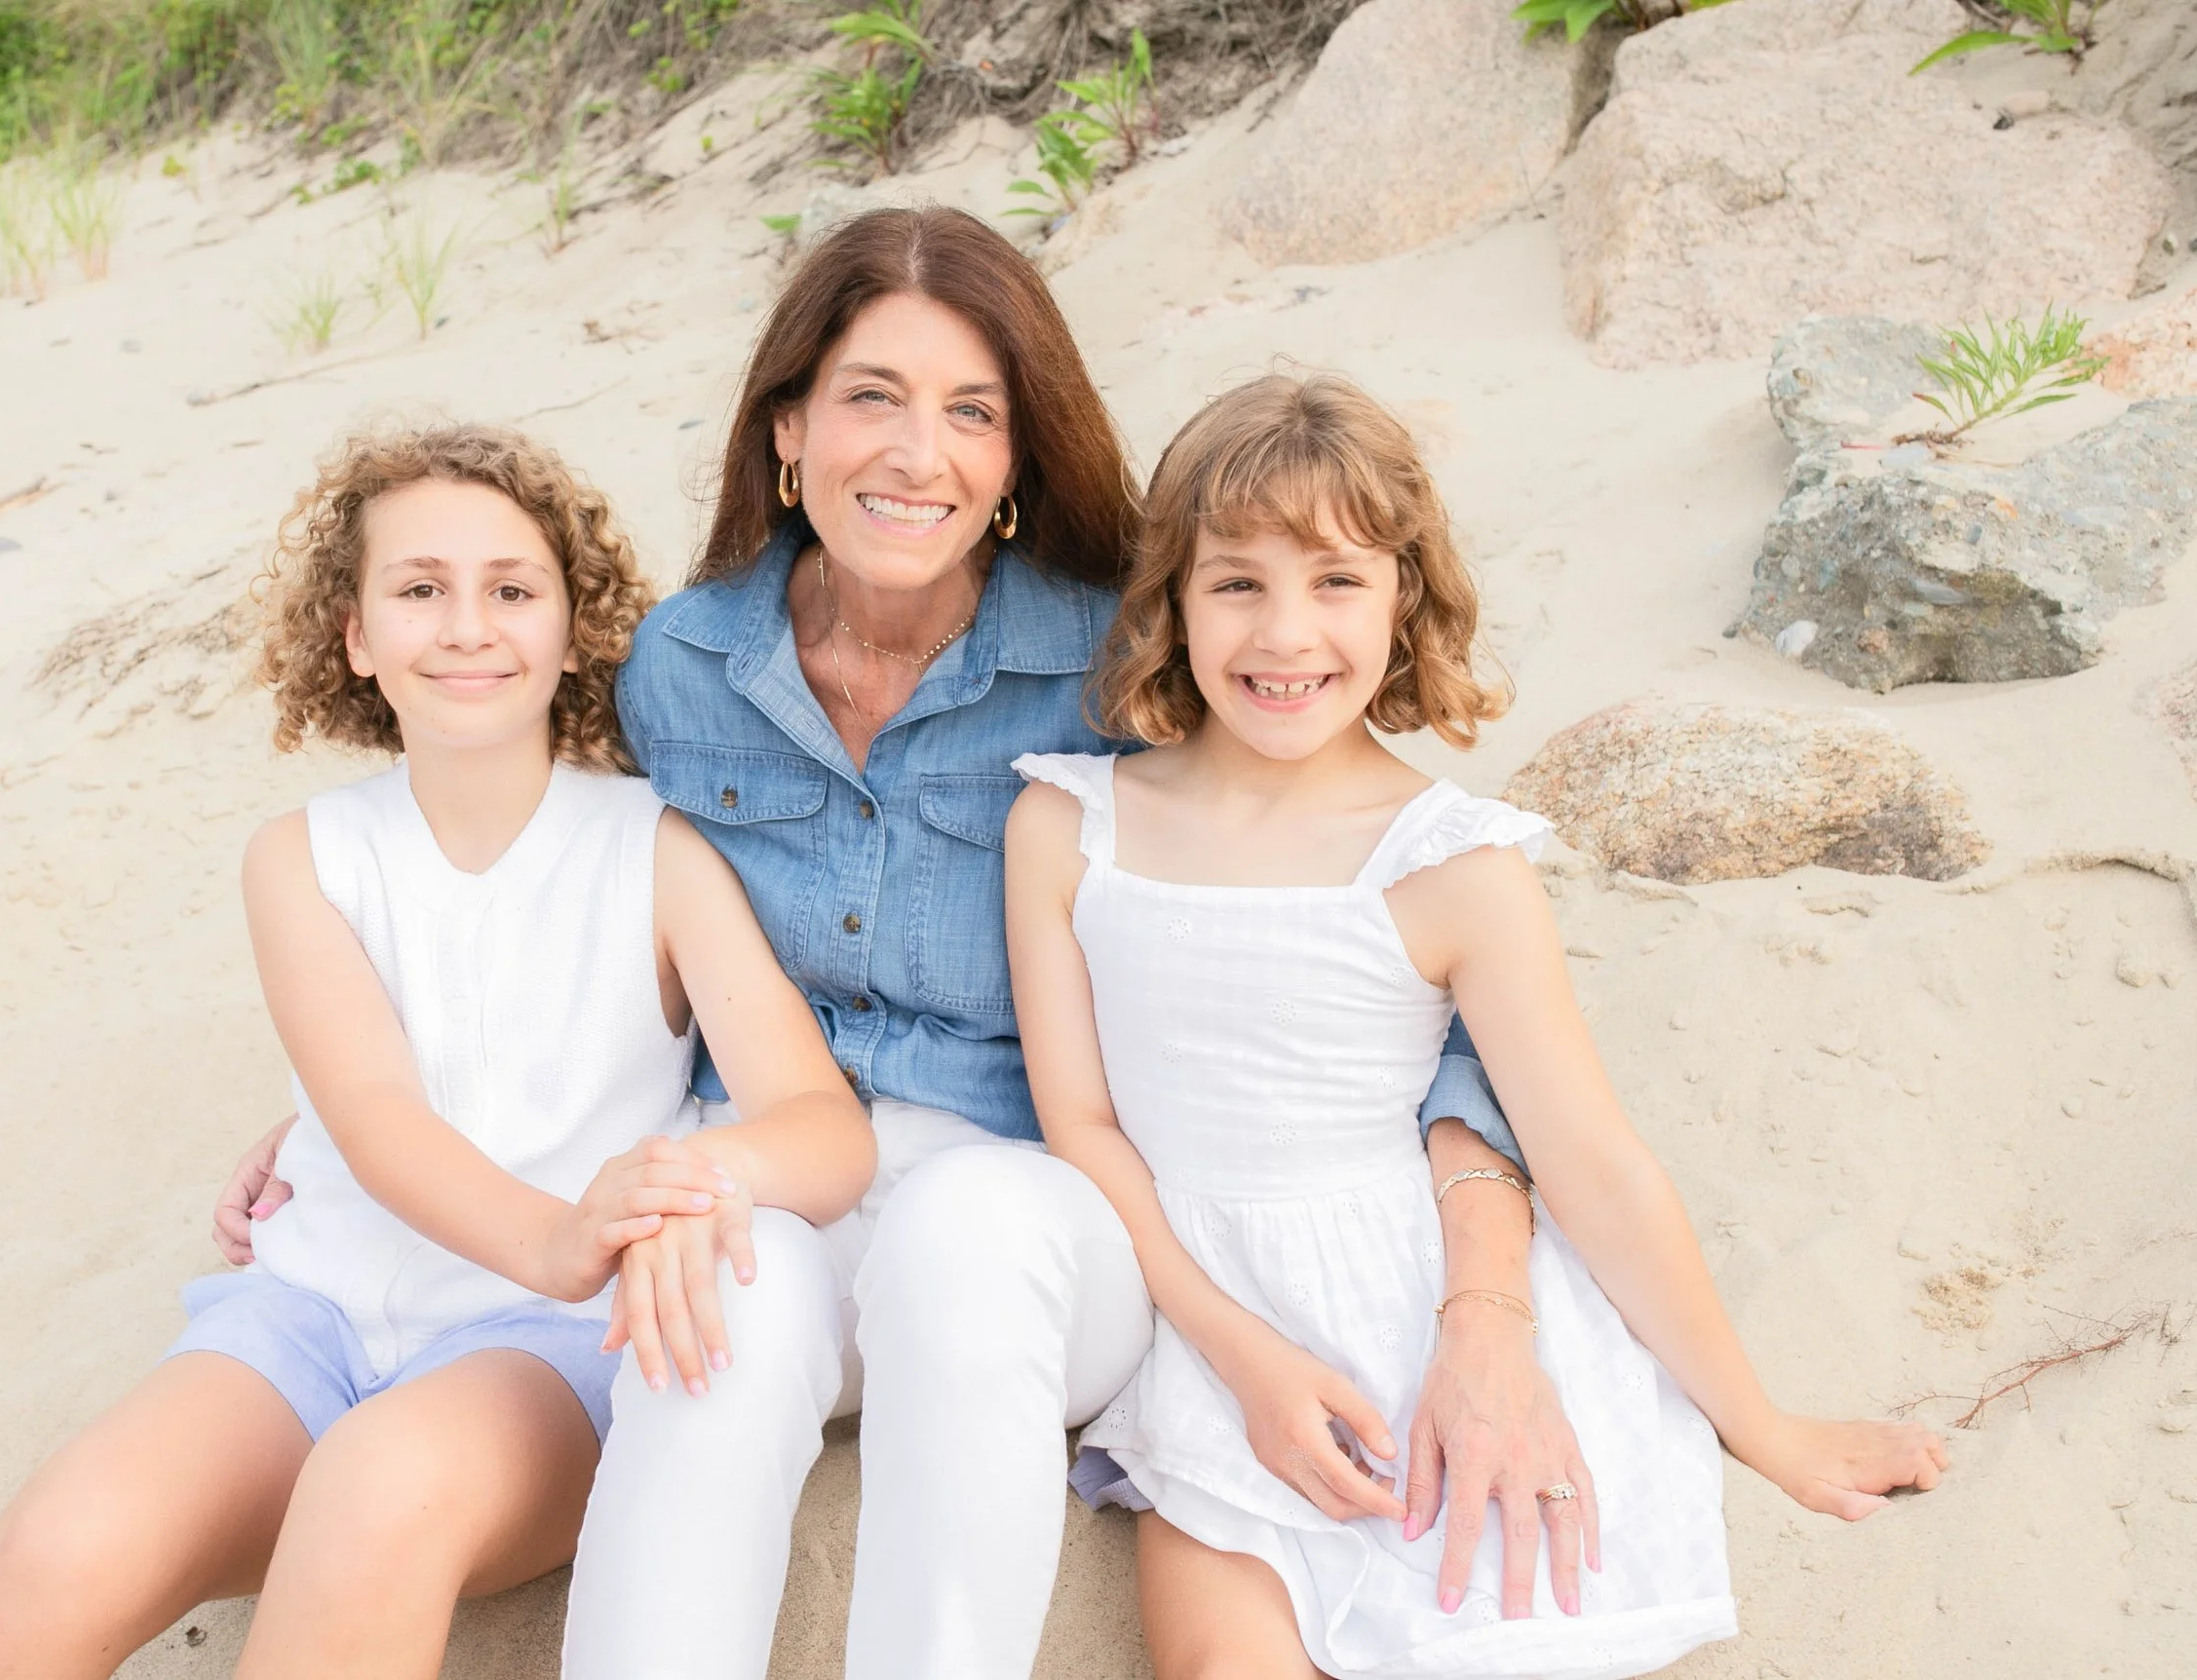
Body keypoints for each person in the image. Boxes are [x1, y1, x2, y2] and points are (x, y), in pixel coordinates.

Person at [215, 209, 1571, 1679]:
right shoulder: (685, 665)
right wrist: (323, 1108)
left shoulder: (1107, 669)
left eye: (971, 414)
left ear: (1011, 464)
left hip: (1047, 1228)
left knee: (960, 1232)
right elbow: (550, 881)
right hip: (781, 1182)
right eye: (873, 397)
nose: (917, 454)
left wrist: (1488, 1291)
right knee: (702, 1288)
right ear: (789, 427)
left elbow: (1391, 971)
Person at [1003, 372, 1948, 1678]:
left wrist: (1763, 1422)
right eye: (1237, 584)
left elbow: (1593, 1164)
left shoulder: (1451, 865)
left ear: (1404, 599)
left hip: (1404, 1302)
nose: (1286, 635)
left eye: (1336, 580)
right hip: (1207, 1322)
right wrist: (1247, 1359)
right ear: (1169, 599)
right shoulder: (1068, 824)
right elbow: (1084, 1125)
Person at [0, 424, 874, 1680]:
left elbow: (821, 1125)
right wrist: (552, 1227)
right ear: (357, 638)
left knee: (377, 1488)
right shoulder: (306, 859)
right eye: (419, 590)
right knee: (60, 1547)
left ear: (574, 628)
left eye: (512, 590)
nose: (467, 626)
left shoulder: (655, 851)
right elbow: (373, 1113)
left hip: (542, 1346)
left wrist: (668, 1192)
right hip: (306, 1320)